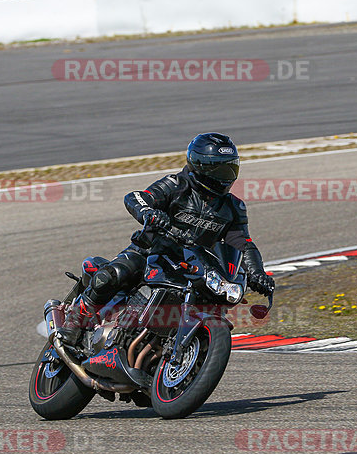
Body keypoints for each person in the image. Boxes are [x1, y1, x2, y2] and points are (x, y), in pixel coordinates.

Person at [56, 132, 275, 346]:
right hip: (151, 252)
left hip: (194, 266)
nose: (225, 176)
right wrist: (148, 213)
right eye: (219, 169)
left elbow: (243, 244)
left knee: (214, 300)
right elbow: (137, 197)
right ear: (200, 166)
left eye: (230, 168)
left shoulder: (233, 207)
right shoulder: (176, 184)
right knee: (114, 274)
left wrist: (257, 272)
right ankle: (75, 320)